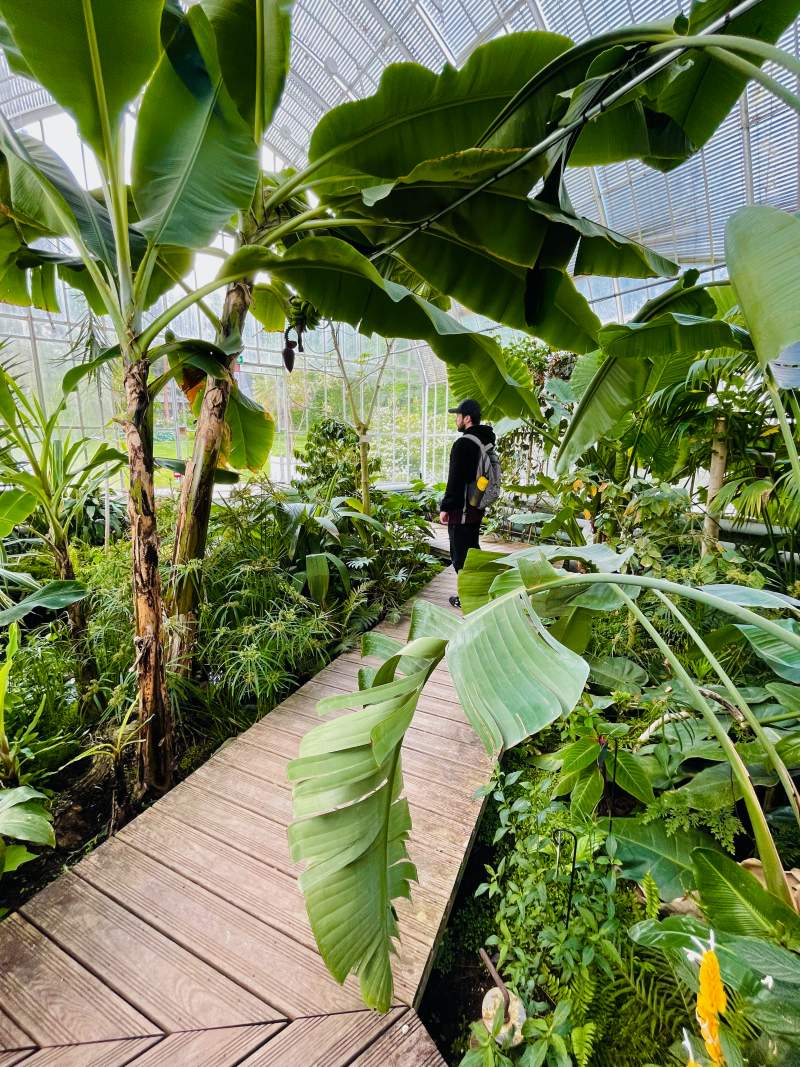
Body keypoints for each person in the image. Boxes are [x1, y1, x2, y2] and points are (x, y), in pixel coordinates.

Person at [439, 398, 496, 608]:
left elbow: (455, 479)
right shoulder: (485, 441)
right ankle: (479, 593)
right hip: (476, 507)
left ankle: (468, 597)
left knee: (459, 555)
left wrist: (445, 507)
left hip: (461, 510)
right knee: (472, 550)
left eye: (458, 416)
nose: (456, 420)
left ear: (467, 418)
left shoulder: (464, 444)